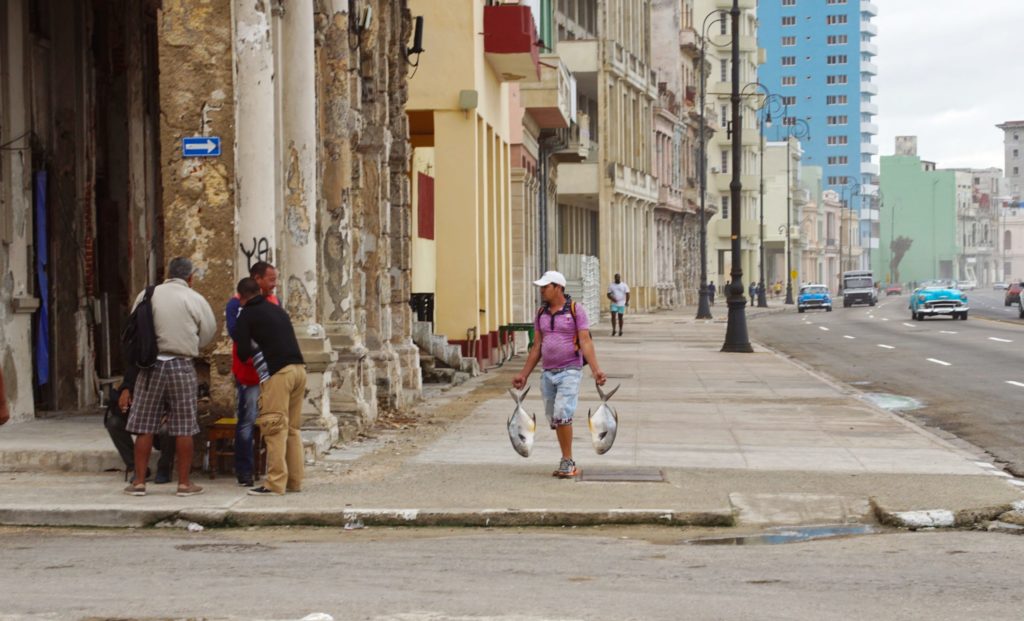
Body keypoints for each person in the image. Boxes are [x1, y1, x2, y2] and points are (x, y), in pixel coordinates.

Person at [123, 257, 216, 497]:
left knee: (144, 426)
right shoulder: (194, 298)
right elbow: (208, 333)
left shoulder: (147, 294)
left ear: (168, 273)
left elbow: (134, 328)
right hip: (181, 365)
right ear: (190, 277)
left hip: (150, 364)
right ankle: (184, 484)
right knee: (184, 427)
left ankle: (139, 482)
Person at [512, 270, 607, 478]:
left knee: (563, 414)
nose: (542, 291)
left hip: (570, 370)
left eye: (545, 287)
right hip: (548, 372)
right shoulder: (540, 314)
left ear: (558, 287)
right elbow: (536, 347)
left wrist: (596, 369)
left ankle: (568, 461)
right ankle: (566, 458)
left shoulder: (576, 310)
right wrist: (524, 374)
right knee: (554, 418)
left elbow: (585, 341)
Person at [235, 277, 307, 496]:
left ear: (241, 297)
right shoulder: (277, 310)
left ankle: (275, 483)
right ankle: (294, 481)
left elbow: (243, 351)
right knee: (293, 429)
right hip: (299, 370)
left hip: (278, 374)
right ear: (259, 291)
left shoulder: (247, 314)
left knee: (274, 428)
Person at [225, 261, 281, 487]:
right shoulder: (236, 305)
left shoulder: (274, 302)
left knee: (275, 420)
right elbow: (236, 334)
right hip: (248, 372)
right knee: (247, 421)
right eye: (271, 279)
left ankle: (272, 469)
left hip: (271, 371)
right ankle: (245, 470)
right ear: (257, 280)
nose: (274, 284)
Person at [106, 363, 174, 483]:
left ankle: (164, 467)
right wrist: (125, 394)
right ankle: (136, 467)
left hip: (160, 420)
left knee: (167, 429)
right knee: (114, 423)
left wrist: (168, 413)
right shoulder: (135, 370)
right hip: (139, 419)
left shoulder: (168, 370)